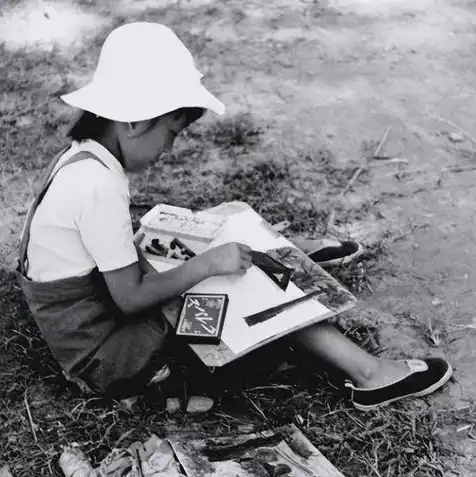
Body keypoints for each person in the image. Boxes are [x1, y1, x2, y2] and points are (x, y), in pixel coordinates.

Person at [17, 22, 452, 411]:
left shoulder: (82, 159)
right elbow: (129, 298)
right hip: (111, 358)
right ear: (133, 121)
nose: (168, 150)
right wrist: (206, 265)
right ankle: (368, 374)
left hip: (94, 328)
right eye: (170, 134)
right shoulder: (97, 185)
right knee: (239, 282)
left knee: (210, 235)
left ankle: (282, 254)